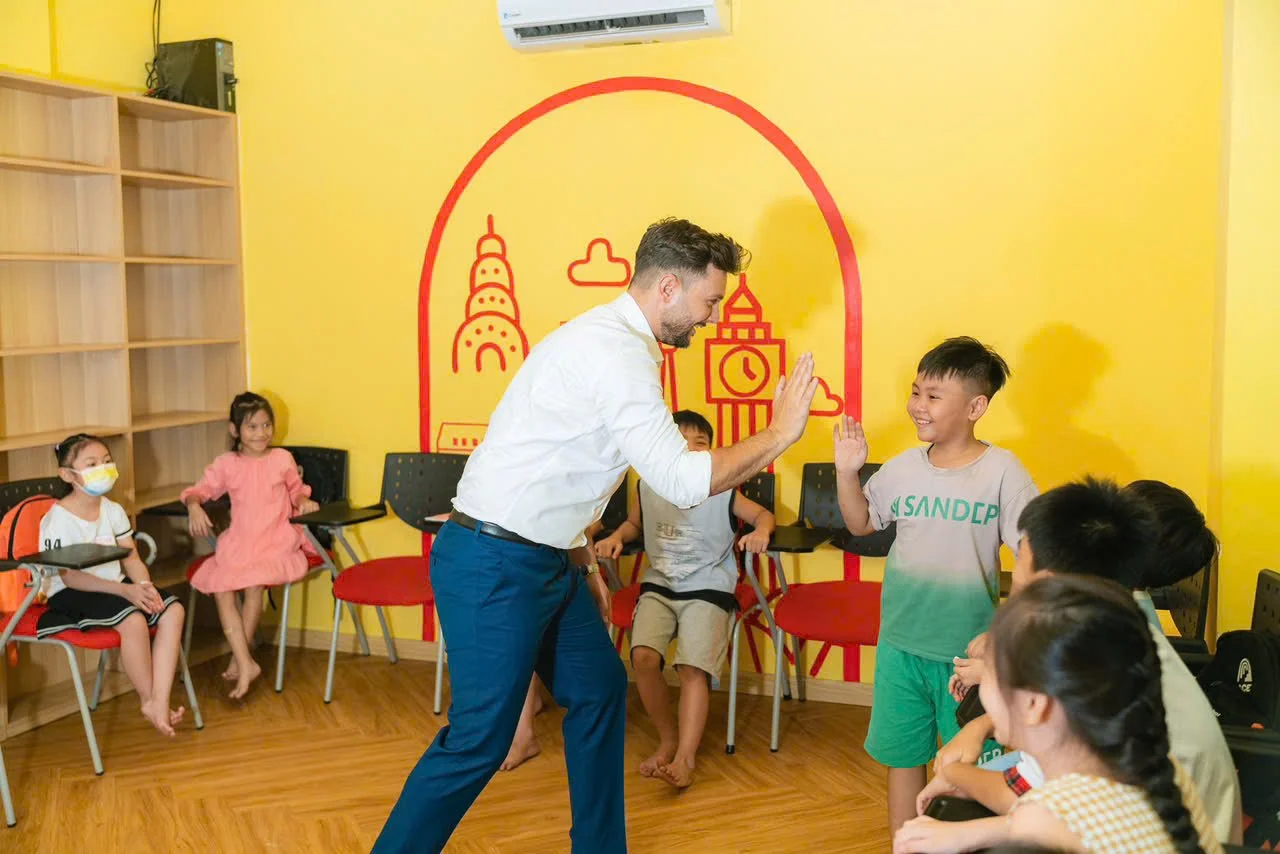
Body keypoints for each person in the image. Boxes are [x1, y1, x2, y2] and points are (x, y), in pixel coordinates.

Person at [371, 218, 818, 854]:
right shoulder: (612, 352)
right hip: (494, 560)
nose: (713, 318)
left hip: (548, 559)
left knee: (600, 692)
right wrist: (779, 434)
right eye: (709, 301)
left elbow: (563, 464)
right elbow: (681, 478)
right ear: (668, 287)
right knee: (479, 739)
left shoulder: (621, 346)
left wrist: (579, 563)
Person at [939, 478, 1242, 843]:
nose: (1014, 572)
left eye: (1019, 554)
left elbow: (1029, 799)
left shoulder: (1090, 652)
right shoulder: (1113, 624)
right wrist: (985, 723)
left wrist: (958, 767)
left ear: (1049, 577)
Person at [833, 337, 1037, 836]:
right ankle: (910, 844)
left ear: (975, 407)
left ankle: (965, 843)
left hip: (967, 658)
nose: (917, 406)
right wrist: (846, 472)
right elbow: (861, 523)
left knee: (966, 768)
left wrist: (1007, 631)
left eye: (933, 396)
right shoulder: (903, 467)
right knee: (903, 760)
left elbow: (1034, 546)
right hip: (900, 646)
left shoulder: (1003, 471)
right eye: (915, 392)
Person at [895, 574, 1222, 853]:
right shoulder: (1149, 765)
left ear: (1035, 705)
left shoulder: (1049, 815)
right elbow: (1065, 826)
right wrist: (975, 822)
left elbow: (1049, 823)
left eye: (990, 673)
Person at [592, 409, 775, 789]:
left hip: (708, 587)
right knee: (643, 657)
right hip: (660, 585)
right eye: (681, 443)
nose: (690, 450)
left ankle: (686, 758)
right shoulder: (648, 485)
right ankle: (668, 740)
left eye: (701, 444)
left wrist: (762, 532)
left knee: (691, 667)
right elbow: (634, 524)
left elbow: (762, 515)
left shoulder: (721, 488)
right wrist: (617, 537)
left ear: (712, 452)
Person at [36, 433, 187, 736]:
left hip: (115, 585)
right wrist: (126, 591)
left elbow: (131, 558)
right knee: (132, 620)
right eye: (91, 464)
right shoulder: (58, 519)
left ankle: (160, 699)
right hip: (71, 592)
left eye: (106, 461)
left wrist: (145, 586)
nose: (103, 469)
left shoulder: (113, 510)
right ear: (67, 474)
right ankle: (148, 699)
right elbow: (68, 576)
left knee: (173, 611)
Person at [181, 393, 320, 700]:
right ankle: (245, 660)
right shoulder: (227, 464)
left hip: (276, 537)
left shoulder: (282, 458)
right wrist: (193, 506)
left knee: (254, 585)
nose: (261, 433)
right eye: (252, 426)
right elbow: (199, 491)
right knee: (222, 587)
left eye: (266, 425)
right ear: (235, 431)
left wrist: (304, 501)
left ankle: (240, 659)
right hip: (241, 539)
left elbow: (297, 492)